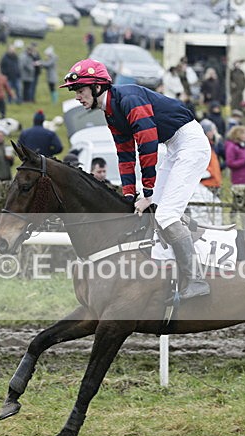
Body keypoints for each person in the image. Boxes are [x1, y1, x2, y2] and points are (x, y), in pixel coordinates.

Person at [59, 58, 212, 299]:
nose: (77, 97)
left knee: (165, 214)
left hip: (190, 144)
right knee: (155, 210)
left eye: (80, 90)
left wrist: (148, 193)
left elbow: (148, 146)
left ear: (98, 86)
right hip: (174, 146)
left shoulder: (129, 99)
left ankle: (196, 280)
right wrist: (130, 194)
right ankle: (173, 262)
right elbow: (125, 154)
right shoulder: (110, 112)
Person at [224, 124, 245, 227]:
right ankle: (232, 223)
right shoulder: (232, 147)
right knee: (237, 205)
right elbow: (230, 163)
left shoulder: (244, 146)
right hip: (239, 181)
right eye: (244, 133)